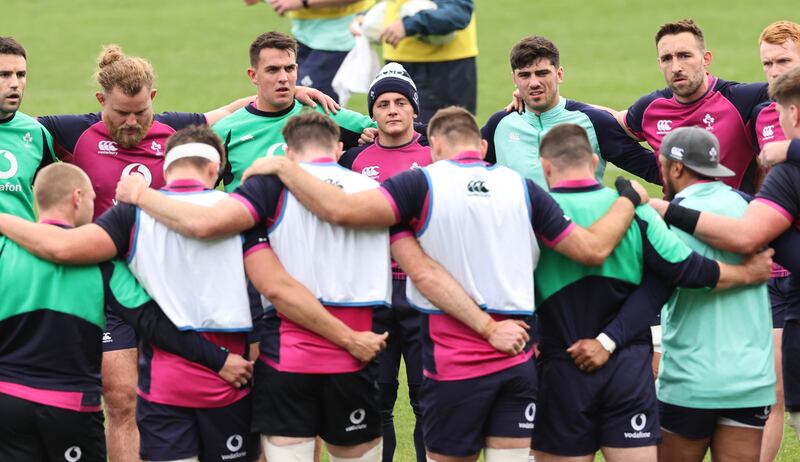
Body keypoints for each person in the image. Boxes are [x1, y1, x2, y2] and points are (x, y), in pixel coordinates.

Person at [190, 106, 654, 461]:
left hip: (454, 363)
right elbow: (592, 250)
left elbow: (342, 212)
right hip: (517, 358)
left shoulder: (420, 185)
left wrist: (284, 168)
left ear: (431, 145)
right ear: (483, 146)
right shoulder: (522, 187)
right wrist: (628, 200)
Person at [116, 112, 396, 461]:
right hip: (357, 356)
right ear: (339, 148)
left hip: (289, 359)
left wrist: (141, 195)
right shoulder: (378, 191)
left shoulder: (269, 187)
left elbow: (206, 225)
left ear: (288, 153)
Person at [530, 125, 773, 462]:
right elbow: (686, 269)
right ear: (594, 161)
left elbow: (660, 285)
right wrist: (747, 273)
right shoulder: (752, 212)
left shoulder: (536, 213)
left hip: (679, 377)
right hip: (737, 376)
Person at [0, 163, 253, 461]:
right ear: (77, 198)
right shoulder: (103, 263)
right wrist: (218, 359)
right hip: (71, 408)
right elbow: (151, 323)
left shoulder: (5, 248)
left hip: (7, 404)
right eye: (93, 199)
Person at [654, 65, 800, 442]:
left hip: (694, 381)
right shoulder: (745, 198)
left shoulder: (787, 174)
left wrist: (664, 210)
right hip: (747, 386)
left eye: (781, 113)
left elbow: (746, 237)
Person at [651, 127, 775, 462]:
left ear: (676, 168)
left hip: (689, 378)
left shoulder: (663, 219)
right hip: (749, 378)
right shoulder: (753, 212)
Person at [338, 62, 430, 462]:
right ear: (372, 114)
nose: (392, 110)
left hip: (424, 291)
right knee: (377, 397)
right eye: (383, 104)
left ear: (414, 110)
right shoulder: (354, 160)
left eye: (400, 102)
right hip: (372, 293)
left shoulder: (434, 155)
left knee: (428, 399)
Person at [482, 35, 661, 188]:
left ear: (559, 75)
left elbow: (654, 169)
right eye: (525, 75)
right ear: (514, 78)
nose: (534, 82)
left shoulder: (594, 122)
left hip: (578, 229)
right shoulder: (499, 125)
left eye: (542, 73)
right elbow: (461, 169)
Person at [214, 31, 378, 192]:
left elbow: (392, 131)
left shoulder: (322, 113)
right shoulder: (226, 131)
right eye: (273, 70)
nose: (283, 78)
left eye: (289, 69)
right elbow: (197, 188)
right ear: (254, 76)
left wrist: (373, 137)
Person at [621, 19, 769, 195]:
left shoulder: (744, 99)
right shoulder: (650, 108)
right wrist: (660, 171)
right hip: (677, 218)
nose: (676, 67)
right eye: (667, 58)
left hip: (732, 218)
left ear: (706, 59)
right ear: (659, 63)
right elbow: (613, 123)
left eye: (685, 55)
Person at [751, 20, 800, 462]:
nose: (774, 71)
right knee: (776, 387)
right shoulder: (760, 105)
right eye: (767, 62)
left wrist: (790, 150)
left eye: (784, 61)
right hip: (776, 269)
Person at [247, 0, 374, 103]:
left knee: (312, 107)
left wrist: (303, 2)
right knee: (292, 101)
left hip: (335, 37)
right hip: (303, 35)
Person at [379, 0, 477, 123]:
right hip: (397, 62)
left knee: (449, 135)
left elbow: (459, 11)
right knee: (399, 136)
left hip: (442, 68)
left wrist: (409, 24)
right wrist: (365, 15)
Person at [0, 37, 55, 220]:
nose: (15, 83)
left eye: (21, 75)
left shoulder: (36, 133)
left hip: (19, 248)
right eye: (4, 74)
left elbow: (55, 200)